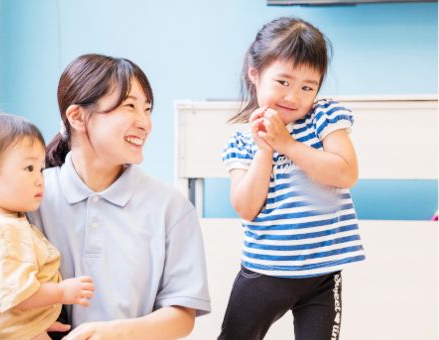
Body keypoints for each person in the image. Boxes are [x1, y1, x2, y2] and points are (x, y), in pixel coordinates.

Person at [27, 54, 211, 340]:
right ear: (77, 116)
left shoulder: (171, 207)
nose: (145, 123)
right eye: (129, 106)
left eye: (147, 109)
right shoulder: (32, 197)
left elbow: (182, 314)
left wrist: (119, 333)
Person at [219, 17, 365, 340]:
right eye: (283, 82)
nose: (293, 96)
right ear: (254, 73)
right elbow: (245, 207)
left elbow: (345, 172)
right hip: (263, 272)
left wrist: (287, 143)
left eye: (307, 87)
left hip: (321, 276)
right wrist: (266, 150)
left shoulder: (324, 117)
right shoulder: (242, 142)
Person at [0, 113, 95, 340]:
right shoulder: (3, 232)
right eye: (29, 168)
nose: (39, 179)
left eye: (40, 169)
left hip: (17, 327)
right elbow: (18, 295)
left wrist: (35, 319)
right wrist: (62, 292)